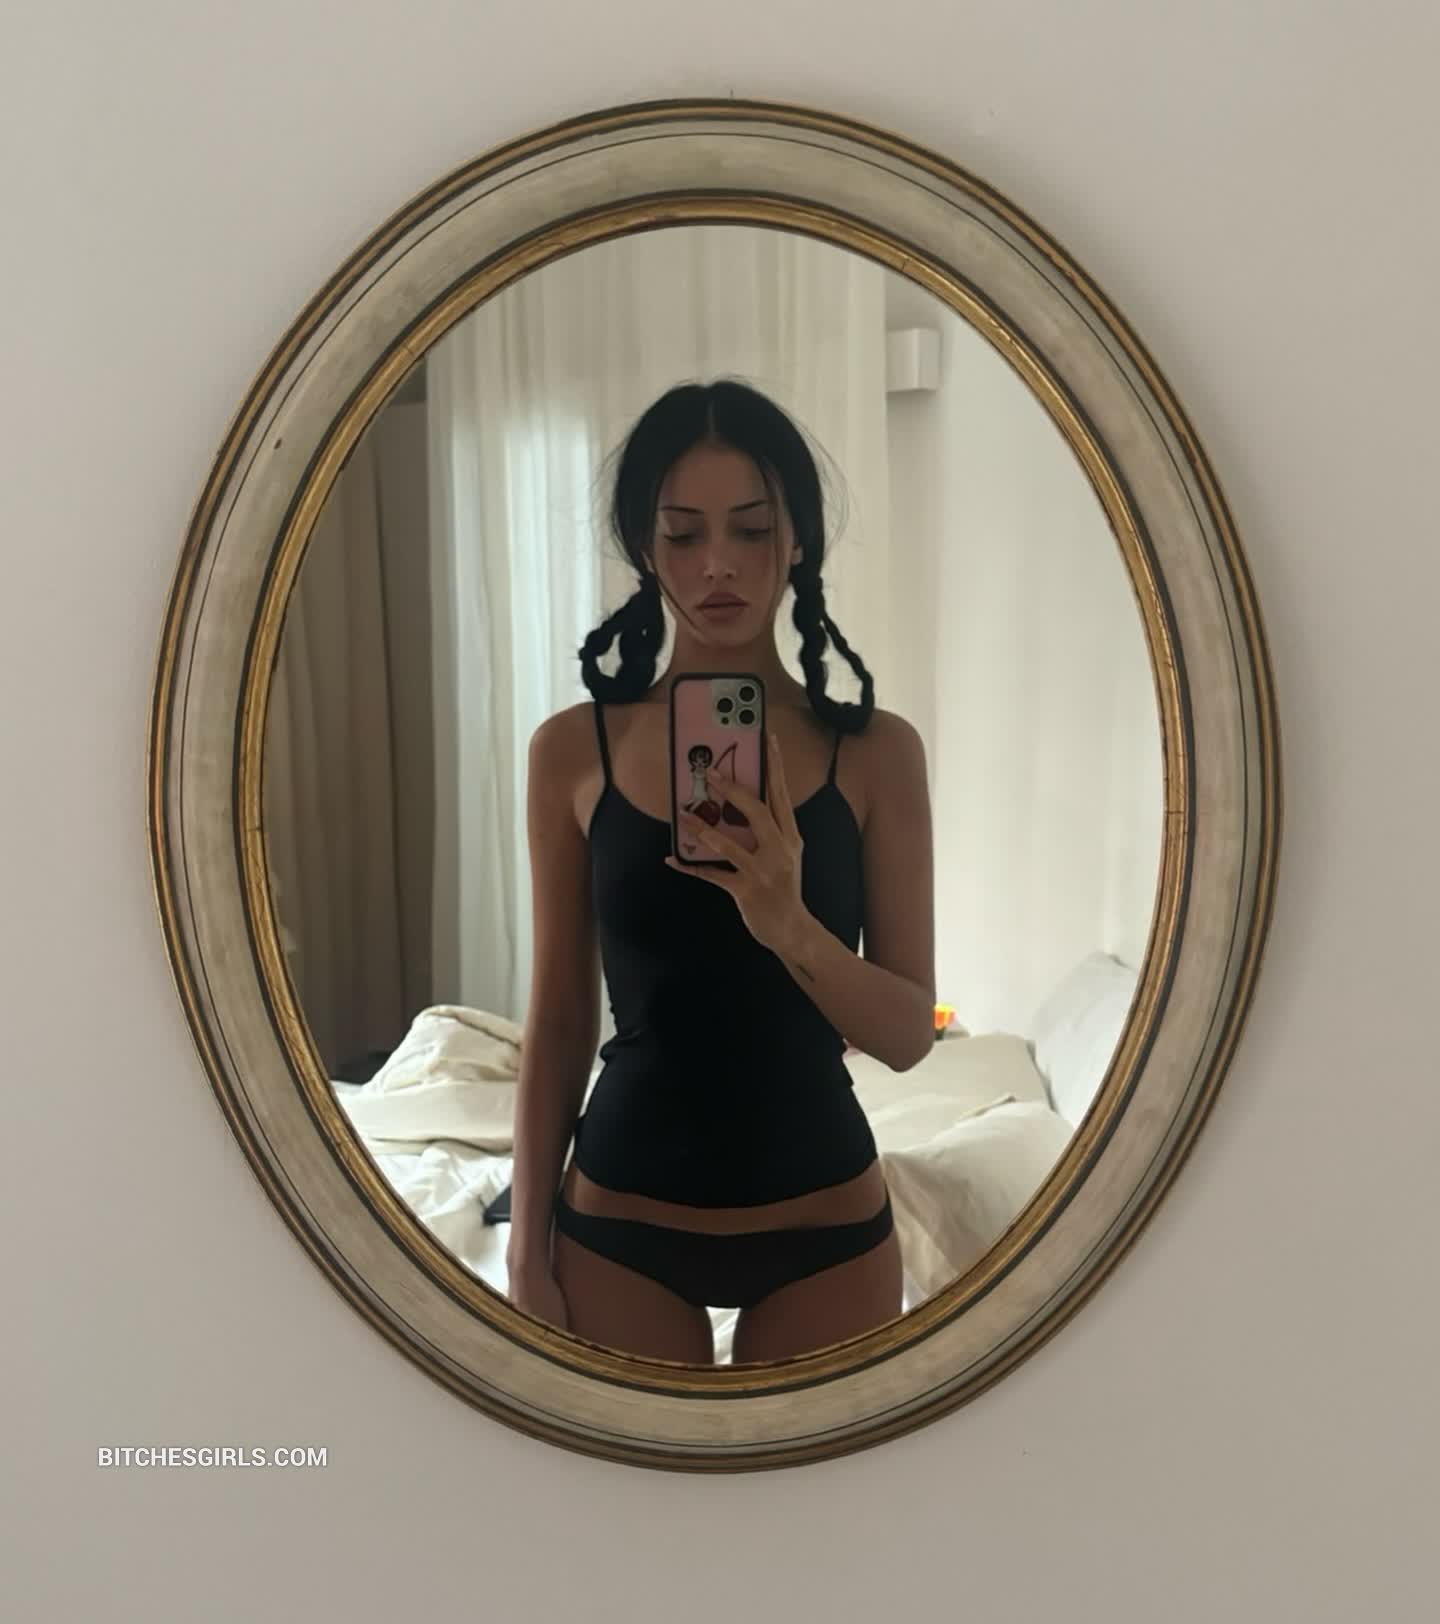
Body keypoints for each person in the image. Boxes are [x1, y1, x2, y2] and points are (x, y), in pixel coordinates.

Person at [506, 379, 935, 1364]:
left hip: (827, 1229)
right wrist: (526, 1250)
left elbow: (909, 1035)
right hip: (619, 1225)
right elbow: (559, 1019)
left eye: (750, 528)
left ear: (798, 539)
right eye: (682, 534)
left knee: (819, 1478)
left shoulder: (876, 754)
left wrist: (788, 924)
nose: (717, 565)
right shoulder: (572, 752)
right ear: (642, 547)